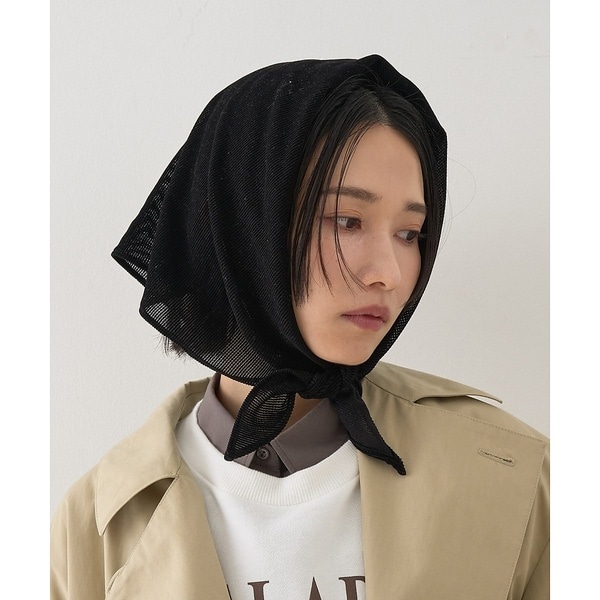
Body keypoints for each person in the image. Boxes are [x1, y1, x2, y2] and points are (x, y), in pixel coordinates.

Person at [50, 55, 549, 599]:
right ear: (244, 226)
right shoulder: (97, 523)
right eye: (346, 220)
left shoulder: (517, 477)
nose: (388, 272)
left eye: (410, 233)